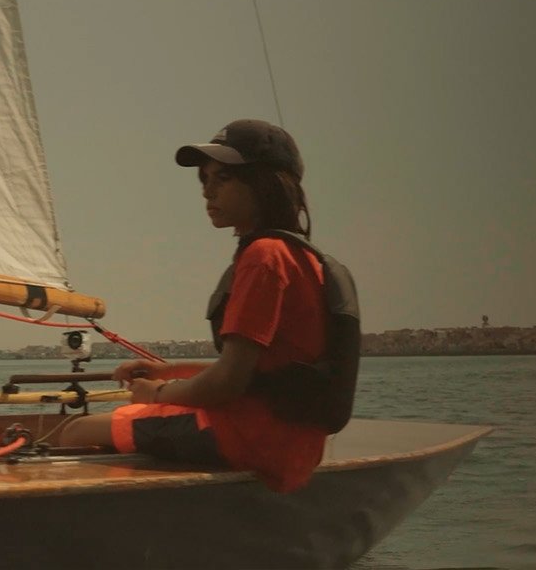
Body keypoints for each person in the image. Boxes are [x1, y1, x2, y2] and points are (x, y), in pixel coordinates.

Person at [52, 119, 329, 492]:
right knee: (135, 414)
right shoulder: (301, 257)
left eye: (223, 179)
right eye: (205, 180)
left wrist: (157, 393)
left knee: (76, 430)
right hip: (288, 443)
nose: (207, 192)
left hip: (248, 437)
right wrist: (167, 371)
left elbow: (227, 384)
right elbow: (256, 372)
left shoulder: (263, 257)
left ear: (265, 184)